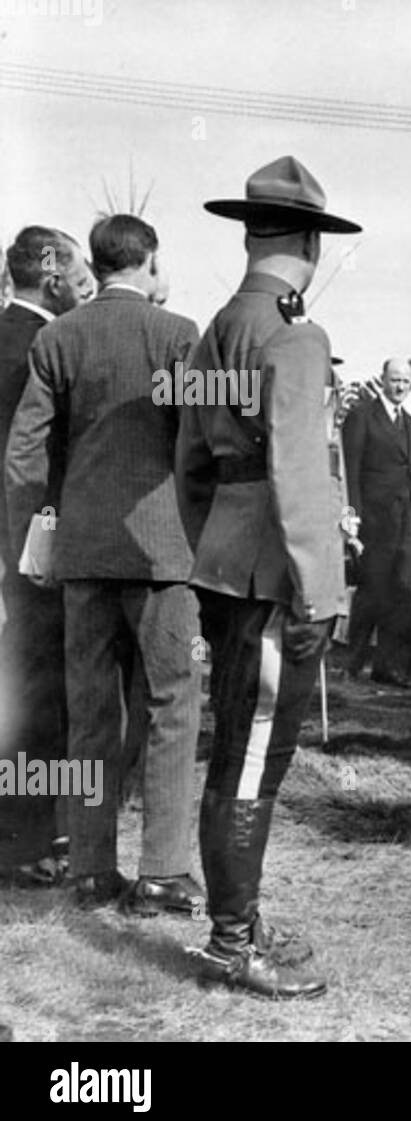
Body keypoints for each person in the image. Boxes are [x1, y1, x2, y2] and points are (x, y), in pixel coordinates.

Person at [175, 154, 360, 998]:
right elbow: (299, 471)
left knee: (237, 754)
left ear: (251, 236)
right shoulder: (295, 334)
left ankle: (238, 921)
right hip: (275, 579)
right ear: (310, 247)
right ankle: (227, 942)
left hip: (226, 564)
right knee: (251, 762)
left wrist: (213, 548)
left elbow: (191, 465)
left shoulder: (218, 326)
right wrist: (320, 591)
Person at [6, 214, 204, 914]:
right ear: (148, 259)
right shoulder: (179, 336)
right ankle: (163, 869)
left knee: (91, 712)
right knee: (172, 706)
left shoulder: (57, 338)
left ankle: (90, 865)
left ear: (96, 261)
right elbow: (203, 440)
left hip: (82, 556)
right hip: (163, 554)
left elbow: (25, 453)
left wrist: (34, 538)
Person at [0, 226, 93, 887]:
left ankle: (38, 827)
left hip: (16, 544)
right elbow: (26, 460)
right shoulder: (38, 347)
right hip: (31, 547)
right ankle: (25, 840)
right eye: (79, 273)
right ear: (53, 271)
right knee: (37, 693)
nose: (83, 285)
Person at [342, 358, 411, 687]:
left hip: (408, 519)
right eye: (394, 380)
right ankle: (353, 662)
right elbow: (351, 469)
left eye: (405, 382)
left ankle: (389, 664)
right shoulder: (363, 416)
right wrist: (352, 514)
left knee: (402, 593)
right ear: (382, 379)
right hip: (375, 517)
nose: (399, 386)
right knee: (371, 589)